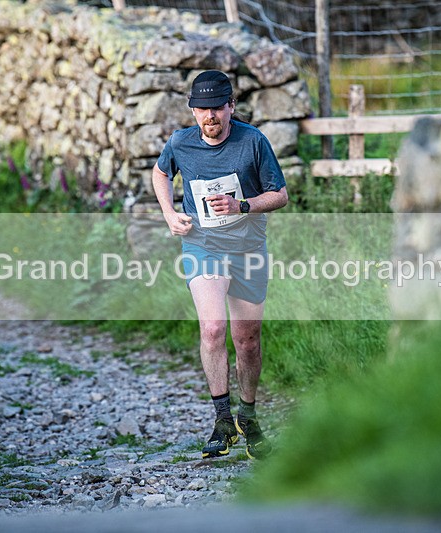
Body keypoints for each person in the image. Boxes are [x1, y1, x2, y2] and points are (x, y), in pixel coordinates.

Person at [151, 70, 288, 459]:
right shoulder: (181, 142)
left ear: (231, 107)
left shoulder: (253, 141)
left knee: (247, 340)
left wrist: (242, 205)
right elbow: (161, 173)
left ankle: (249, 416)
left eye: (217, 108)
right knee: (212, 329)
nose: (210, 116)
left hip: (248, 249)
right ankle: (222, 420)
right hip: (203, 246)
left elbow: (280, 195)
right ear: (193, 111)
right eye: (202, 109)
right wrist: (168, 213)